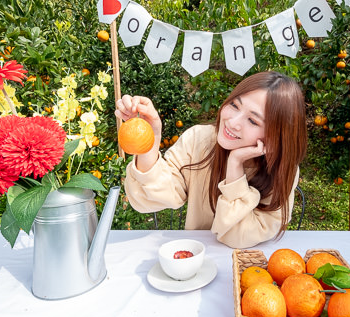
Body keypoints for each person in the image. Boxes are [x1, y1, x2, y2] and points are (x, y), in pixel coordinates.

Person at [114, 71, 307, 248]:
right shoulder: (199, 140)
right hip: (194, 262)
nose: (232, 122)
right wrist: (151, 139)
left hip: (249, 271)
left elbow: (239, 237)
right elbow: (149, 200)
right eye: (234, 105)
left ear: (277, 135)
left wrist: (235, 166)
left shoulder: (283, 169)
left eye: (252, 121)